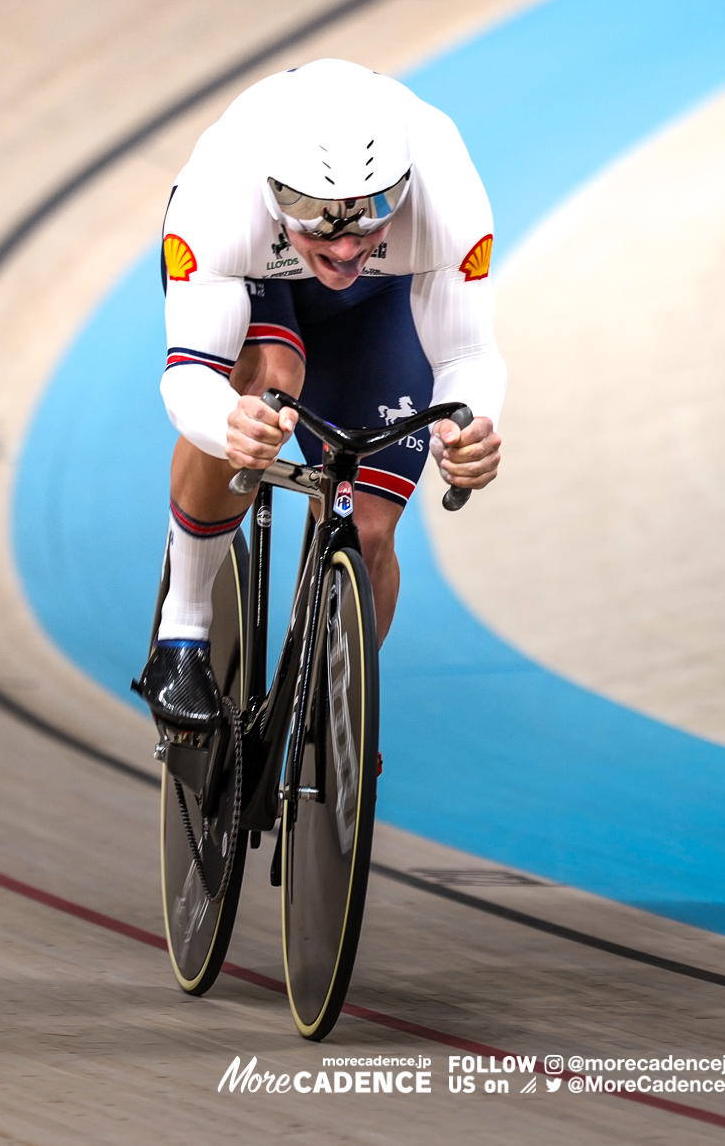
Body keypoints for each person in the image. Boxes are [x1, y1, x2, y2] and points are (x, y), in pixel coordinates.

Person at [136, 58, 505, 731]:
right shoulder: (221, 196)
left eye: (375, 211)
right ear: (275, 192)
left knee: (367, 532)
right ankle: (182, 629)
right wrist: (229, 423)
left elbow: (467, 355)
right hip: (258, 282)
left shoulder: (447, 189)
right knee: (267, 384)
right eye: (312, 216)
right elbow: (189, 374)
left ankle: (331, 723)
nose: (344, 244)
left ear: (405, 184)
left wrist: (474, 429)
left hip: (379, 302)